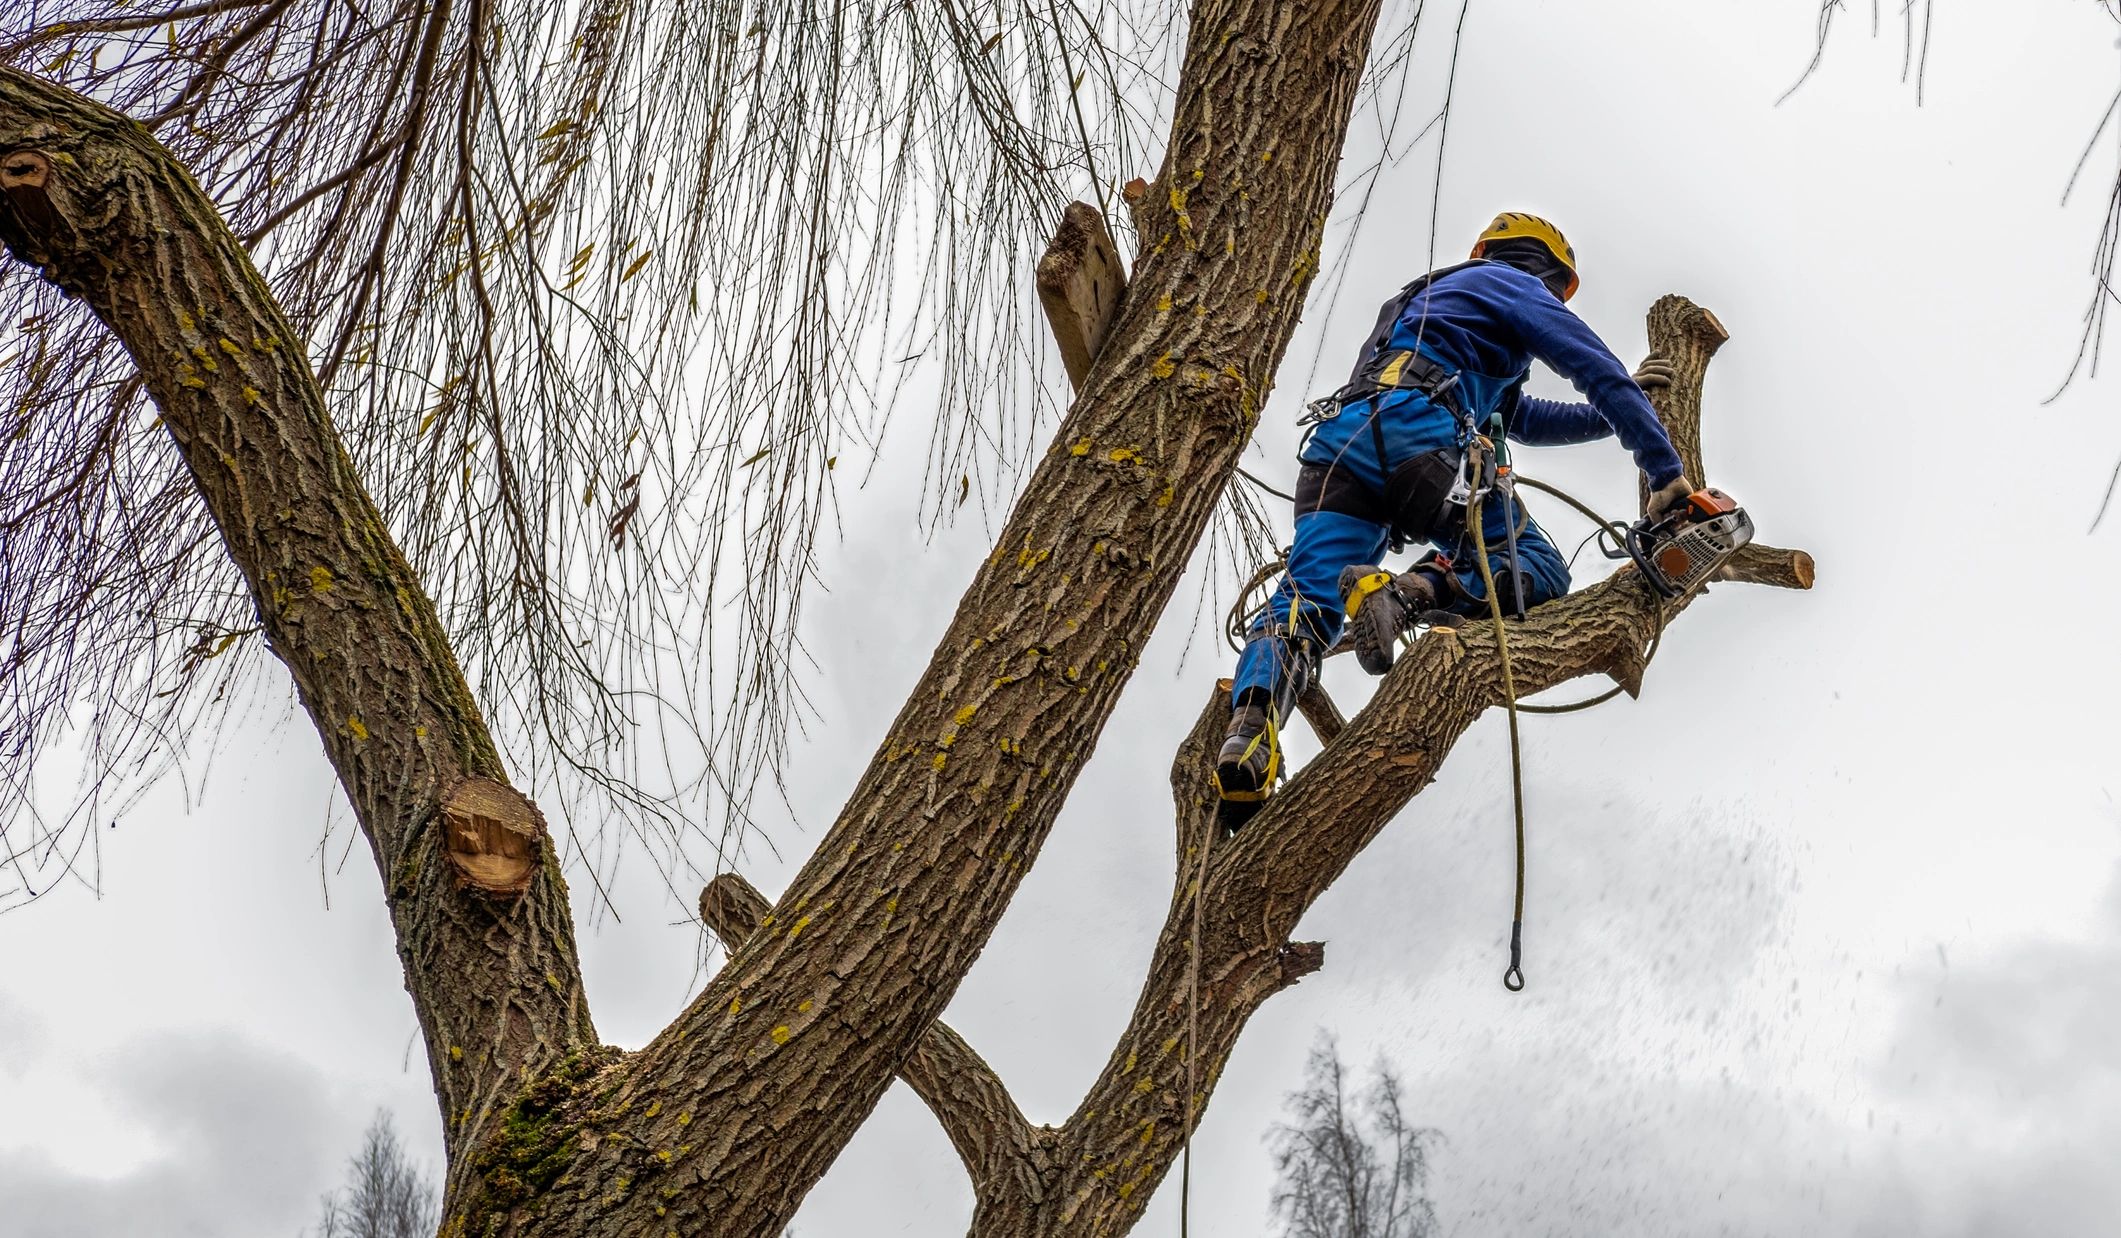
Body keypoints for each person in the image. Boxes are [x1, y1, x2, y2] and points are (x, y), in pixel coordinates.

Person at [1214, 212, 1693, 827]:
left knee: (1302, 607)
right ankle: (1405, 594)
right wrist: (1664, 471)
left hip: (1338, 450)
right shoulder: (1514, 286)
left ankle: (1248, 738)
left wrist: (1614, 411)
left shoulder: (1425, 301)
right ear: (1545, 273)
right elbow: (1593, 369)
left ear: (1486, 248)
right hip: (1420, 442)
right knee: (1538, 566)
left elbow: (1522, 418)